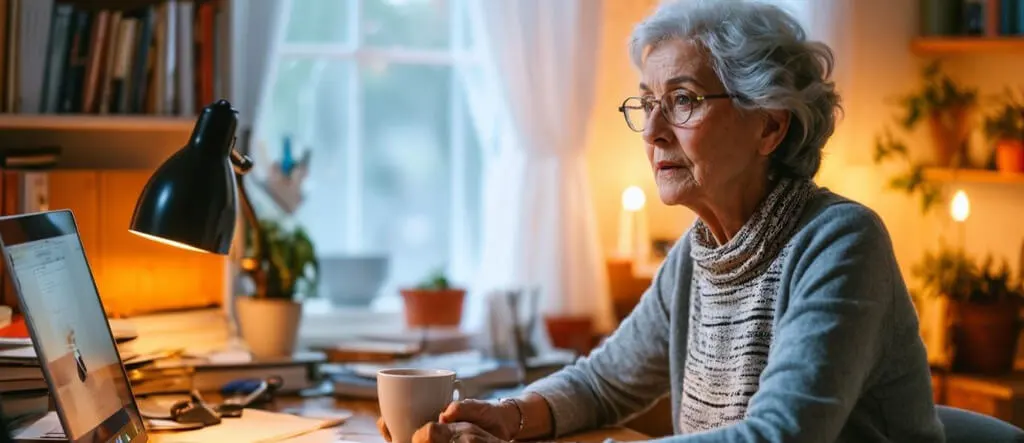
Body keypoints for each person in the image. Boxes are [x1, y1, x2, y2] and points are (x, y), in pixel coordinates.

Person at [378, 0, 944, 442]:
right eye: (647, 102)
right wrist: (505, 415)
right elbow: (602, 384)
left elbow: (782, 436)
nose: (652, 132)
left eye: (684, 100)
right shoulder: (697, 257)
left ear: (769, 128)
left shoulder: (840, 244)